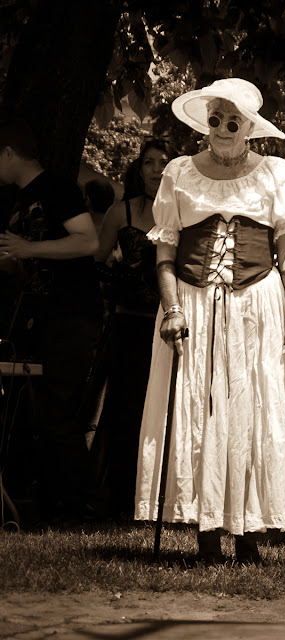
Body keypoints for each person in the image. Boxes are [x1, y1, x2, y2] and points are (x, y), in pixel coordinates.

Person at [135, 78, 285, 564]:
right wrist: (172, 309)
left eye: (231, 121)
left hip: (257, 303)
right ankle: (207, 534)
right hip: (195, 304)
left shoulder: (275, 173)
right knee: (201, 410)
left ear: (249, 128)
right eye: (214, 119)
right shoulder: (179, 172)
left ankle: (251, 536)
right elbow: (166, 248)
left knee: (254, 409)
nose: (221, 128)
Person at [0, 117, 102, 527]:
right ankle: (46, 505)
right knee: (37, 413)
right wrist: (13, 259)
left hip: (71, 316)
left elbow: (88, 240)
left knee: (59, 412)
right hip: (37, 317)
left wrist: (28, 246)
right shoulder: (16, 199)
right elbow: (29, 258)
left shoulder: (57, 188)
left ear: (8, 153)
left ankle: (81, 511)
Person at [88, 140, 167, 520]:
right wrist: (119, 280)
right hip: (127, 325)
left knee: (162, 412)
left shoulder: (178, 214)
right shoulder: (120, 213)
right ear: (138, 168)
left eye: (162, 163)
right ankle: (119, 500)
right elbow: (95, 262)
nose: (155, 169)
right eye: (148, 162)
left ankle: (159, 500)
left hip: (165, 327)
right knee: (124, 411)